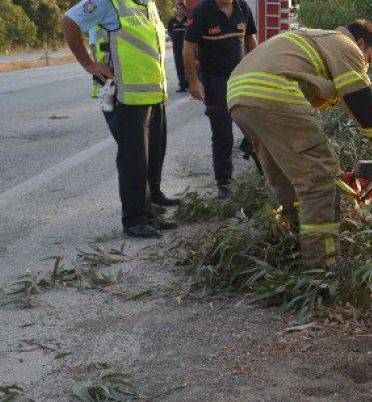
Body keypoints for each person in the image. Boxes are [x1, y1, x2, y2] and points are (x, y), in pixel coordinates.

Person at [228, 19, 372, 268]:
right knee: (320, 179)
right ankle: (322, 265)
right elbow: (361, 101)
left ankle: (292, 238)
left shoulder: (318, 39)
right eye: (370, 58)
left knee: (286, 178)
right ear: (361, 43)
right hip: (273, 91)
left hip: (239, 93)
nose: (367, 65)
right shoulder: (346, 45)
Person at [60, 0, 179, 238]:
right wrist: (89, 64)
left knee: (153, 155)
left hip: (151, 94)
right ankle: (134, 220)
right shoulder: (108, 2)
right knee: (134, 160)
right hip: (123, 95)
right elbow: (69, 21)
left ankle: (149, 209)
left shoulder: (148, 4)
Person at [183, 0, 257, 199]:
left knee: (254, 126)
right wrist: (193, 81)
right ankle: (224, 183)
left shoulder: (242, 7)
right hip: (214, 80)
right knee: (223, 133)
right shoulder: (201, 12)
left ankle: (264, 176)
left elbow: (250, 39)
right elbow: (188, 48)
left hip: (240, 77)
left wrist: (256, 68)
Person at [166, 3, 189, 92]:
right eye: (178, 9)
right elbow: (170, 33)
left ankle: (189, 84)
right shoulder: (172, 21)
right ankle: (182, 86)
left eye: (181, 9)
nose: (179, 10)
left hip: (187, 48)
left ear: (184, 10)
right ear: (176, 10)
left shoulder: (187, 20)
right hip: (177, 49)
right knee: (179, 67)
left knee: (188, 66)